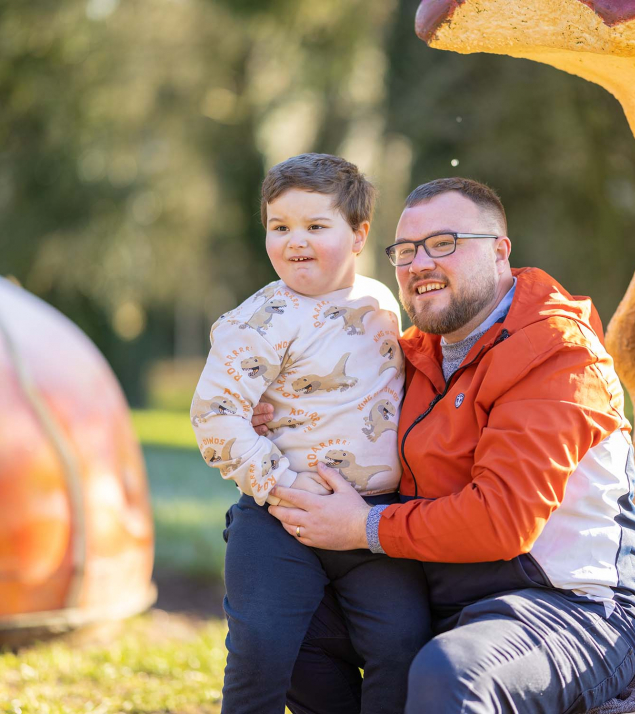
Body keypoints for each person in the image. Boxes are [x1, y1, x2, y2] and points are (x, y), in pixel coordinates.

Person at [264, 178, 635, 713]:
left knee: (453, 674)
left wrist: (363, 527)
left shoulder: (557, 354)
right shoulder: (410, 354)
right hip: (440, 595)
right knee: (280, 618)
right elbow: (340, 413)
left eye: (444, 243)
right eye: (405, 250)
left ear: (500, 252)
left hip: (569, 608)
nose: (419, 262)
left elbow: (503, 520)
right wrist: (275, 410)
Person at [190, 153, 432, 714]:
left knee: (403, 643)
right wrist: (278, 485)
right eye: (280, 227)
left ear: (358, 234)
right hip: (280, 514)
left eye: (316, 226)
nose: (295, 241)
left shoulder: (381, 302)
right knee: (262, 648)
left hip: (372, 517)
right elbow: (216, 415)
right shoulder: (258, 321)